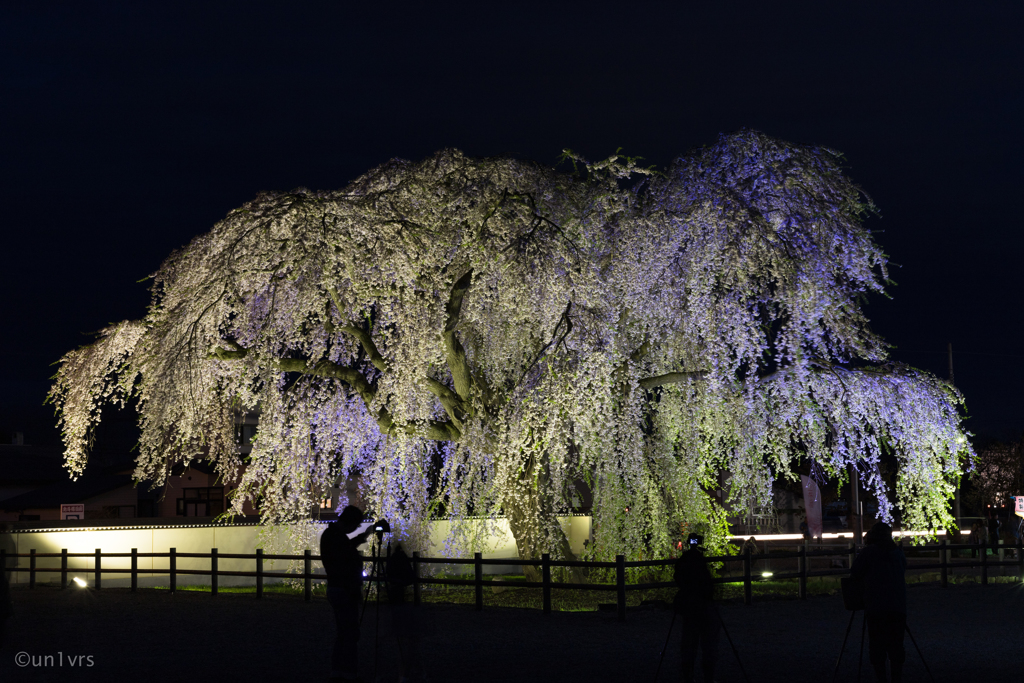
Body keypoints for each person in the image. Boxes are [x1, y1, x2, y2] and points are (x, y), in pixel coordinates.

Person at [850, 522, 907, 683]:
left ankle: (881, 678)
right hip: (897, 605)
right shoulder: (897, 553)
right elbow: (903, 569)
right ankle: (896, 678)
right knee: (896, 644)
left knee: (877, 644)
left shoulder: (869, 553)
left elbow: (855, 572)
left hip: (876, 605)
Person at [321, 505, 371, 683]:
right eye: (356, 525)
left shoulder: (331, 535)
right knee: (350, 633)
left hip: (336, 588)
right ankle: (349, 674)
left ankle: (337, 672)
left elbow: (346, 547)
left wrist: (363, 536)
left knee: (342, 633)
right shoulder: (336, 538)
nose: (356, 528)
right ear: (349, 522)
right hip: (345, 589)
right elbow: (346, 557)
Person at [673, 533, 720, 683]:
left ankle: (687, 675)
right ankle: (707, 676)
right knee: (707, 644)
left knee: (688, 643)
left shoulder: (684, 559)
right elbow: (707, 582)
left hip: (689, 605)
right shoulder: (699, 559)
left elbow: (678, 577)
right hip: (702, 606)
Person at [386, 541, 424, 682]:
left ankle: (403, 673)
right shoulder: (403, 560)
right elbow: (411, 576)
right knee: (410, 640)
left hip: (394, 595)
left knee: (400, 638)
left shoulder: (391, 561)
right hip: (402, 598)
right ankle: (415, 672)